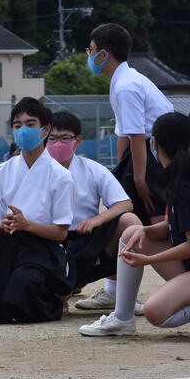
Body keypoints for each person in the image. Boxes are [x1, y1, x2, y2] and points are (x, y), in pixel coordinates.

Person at [80, 112, 190, 336]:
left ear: (155, 144)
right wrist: (146, 230)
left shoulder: (185, 186)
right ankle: (122, 318)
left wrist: (149, 259)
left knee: (155, 312)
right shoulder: (176, 177)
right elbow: (171, 226)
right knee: (132, 233)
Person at [0, 97, 76, 324]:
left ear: (45, 130)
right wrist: (5, 224)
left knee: (24, 283)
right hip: (10, 244)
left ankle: (54, 297)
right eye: (17, 125)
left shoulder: (61, 176)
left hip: (43, 249)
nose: (23, 130)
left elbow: (61, 233)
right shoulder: (0, 173)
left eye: (30, 124)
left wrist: (28, 225)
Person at [44, 111, 143, 313]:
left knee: (130, 222)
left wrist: (97, 219)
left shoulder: (92, 169)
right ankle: (59, 291)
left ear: (77, 141)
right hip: (48, 240)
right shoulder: (33, 170)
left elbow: (125, 204)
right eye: (52, 138)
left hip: (84, 237)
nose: (57, 143)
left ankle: (120, 294)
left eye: (65, 138)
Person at [87, 23, 173, 225]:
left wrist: (139, 178)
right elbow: (123, 134)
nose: (88, 56)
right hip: (143, 151)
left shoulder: (126, 86)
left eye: (90, 50)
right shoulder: (124, 80)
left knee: (153, 209)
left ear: (104, 55)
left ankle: (163, 244)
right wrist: (123, 170)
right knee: (128, 201)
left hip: (154, 152)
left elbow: (137, 136)